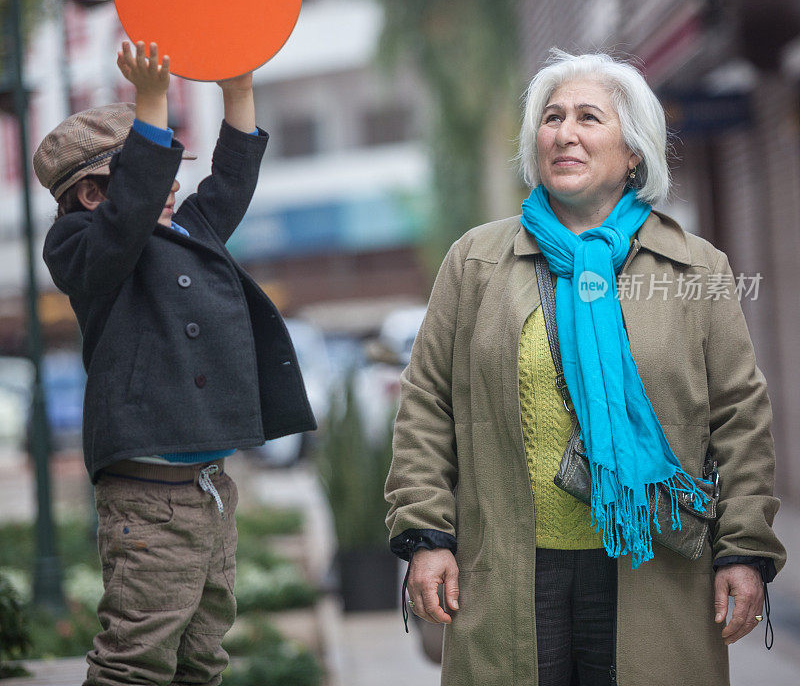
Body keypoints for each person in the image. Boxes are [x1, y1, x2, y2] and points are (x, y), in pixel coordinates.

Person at [385, 50, 786, 686]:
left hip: (651, 567)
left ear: (634, 153)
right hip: (509, 573)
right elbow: (427, 405)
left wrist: (744, 549)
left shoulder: (694, 267)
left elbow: (739, 416)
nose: (565, 132)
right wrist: (425, 534)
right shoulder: (476, 262)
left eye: (589, 117)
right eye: (552, 117)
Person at [34, 40, 316, 686]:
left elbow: (229, 186)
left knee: (202, 656)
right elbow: (126, 219)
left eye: (171, 173)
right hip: (147, 498)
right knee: (135, 662)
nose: (170, 188)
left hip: (208, 490)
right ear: (89, 195)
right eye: (150, 175)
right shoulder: (81, 247)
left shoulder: (187, 233)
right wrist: (151, 101)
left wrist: (237, 92)